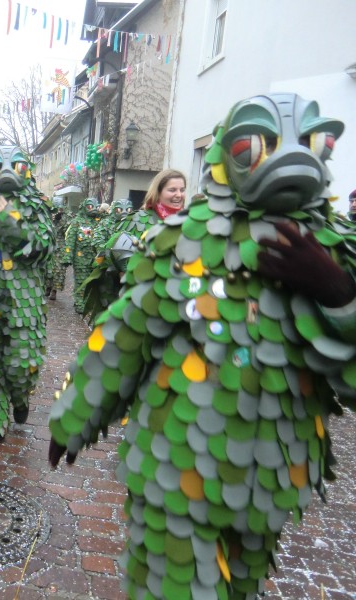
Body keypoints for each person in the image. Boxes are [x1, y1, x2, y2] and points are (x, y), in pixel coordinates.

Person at [48, 93, 353, 599]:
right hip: (176, 460)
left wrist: (339, 295)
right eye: (255, 146)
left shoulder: (338, 250)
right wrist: (73, 418)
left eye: (315, 142)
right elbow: (126, 335)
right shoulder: (182, 239)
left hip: (275, 476)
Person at [0, 145, 54, 450]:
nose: (6, 170)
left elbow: (44, 248)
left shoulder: (37, 204)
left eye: (15, 165)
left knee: (22, 363)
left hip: (24, 300)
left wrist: (11, 221)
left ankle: (20, 395)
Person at [81, 171, 186, 320]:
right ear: (158, 192)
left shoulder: (188, 223)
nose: (179, 195)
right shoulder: (138, 219)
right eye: (172, 190)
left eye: (182, 190)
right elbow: (111, 257)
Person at [62, 197, 102, 313]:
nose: (93, 209)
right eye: (90, 206)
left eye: (95, 206)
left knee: (92, 281)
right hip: (81, 258)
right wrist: (67, 256)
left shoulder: (98, 222)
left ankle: (88, 302)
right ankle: (79, 302)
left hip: (95, 258)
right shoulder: (77, 222)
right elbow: (70, 240)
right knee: (81, 281)